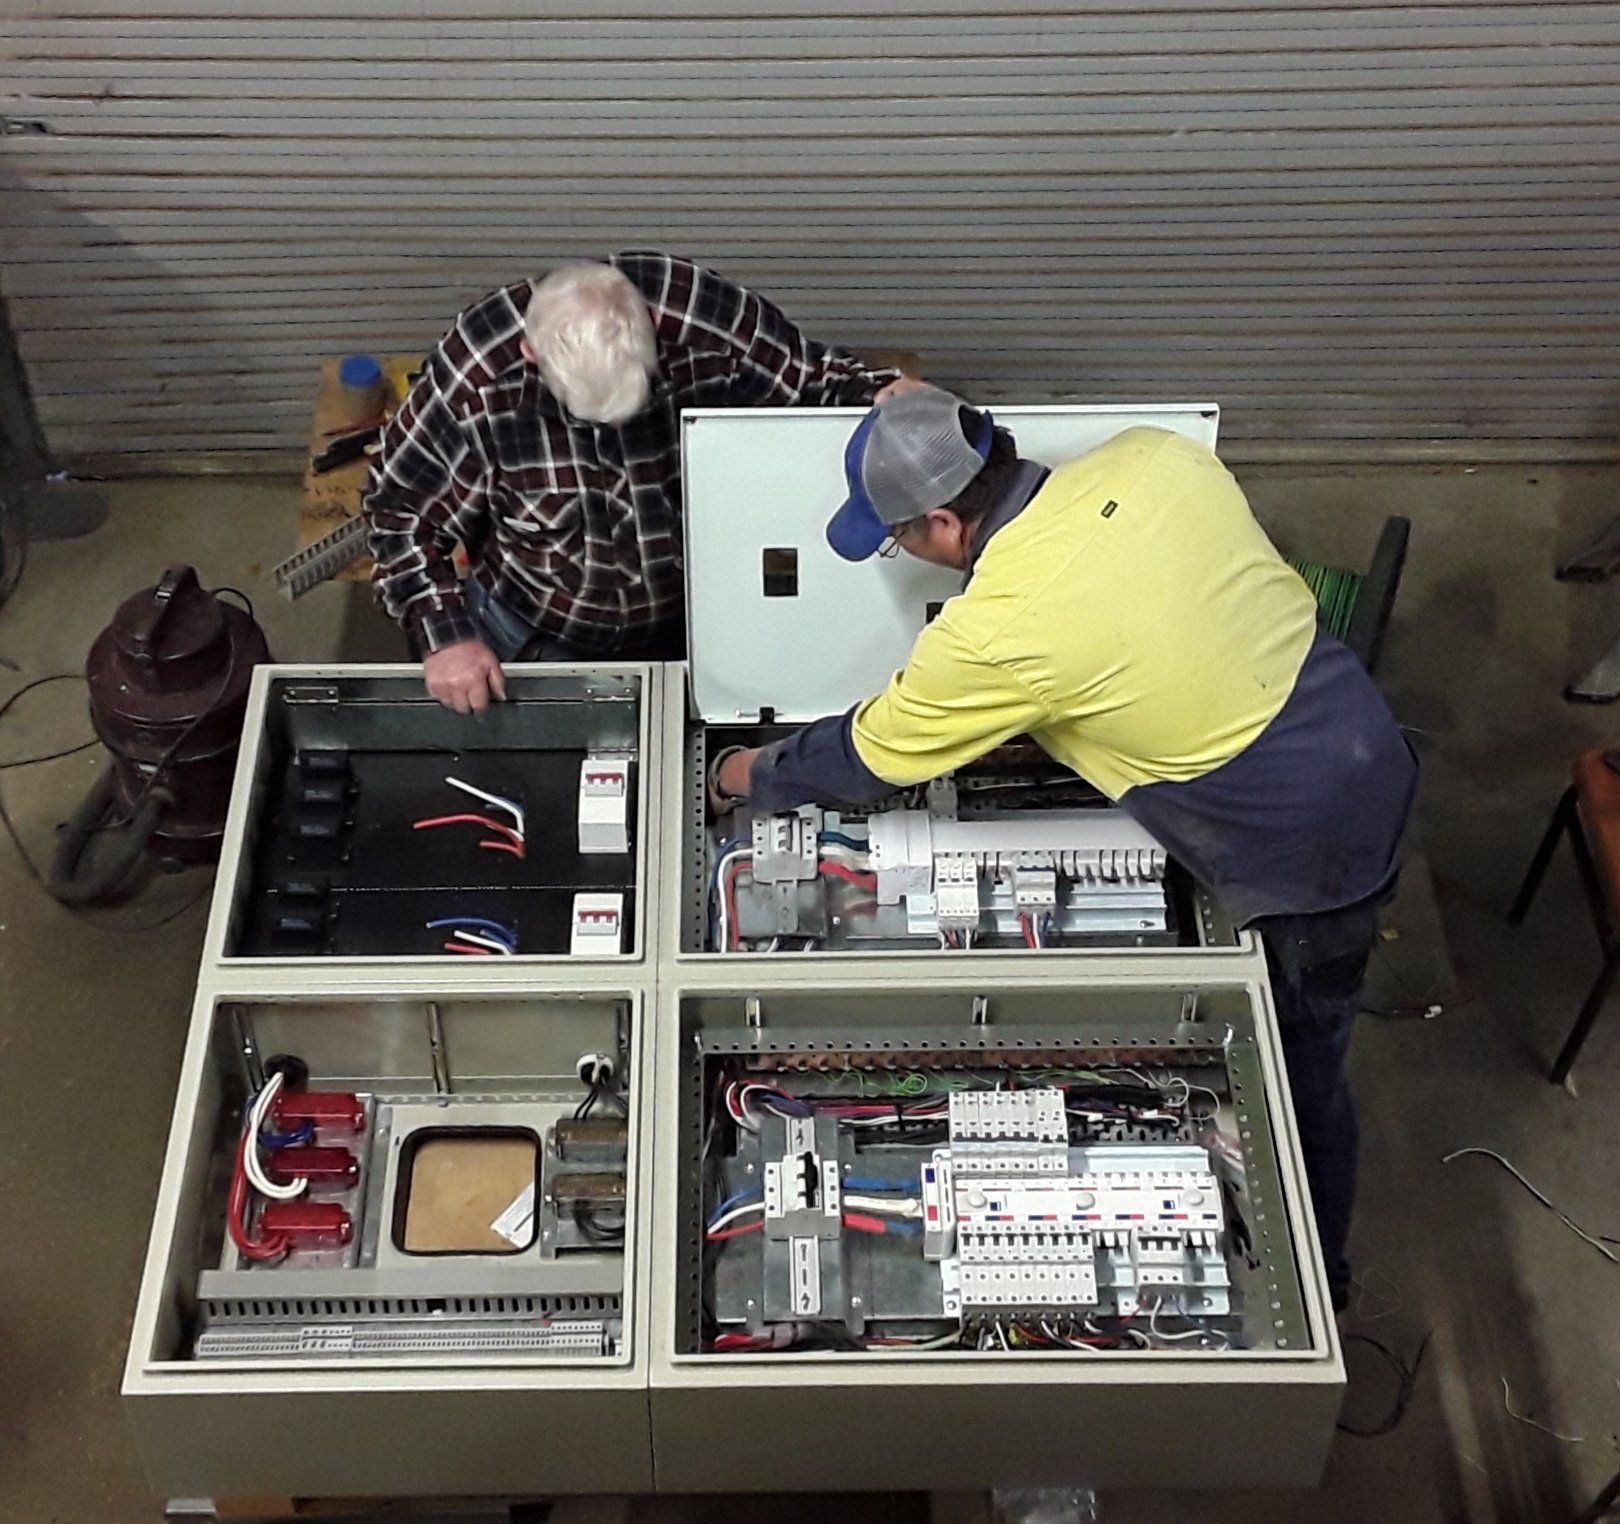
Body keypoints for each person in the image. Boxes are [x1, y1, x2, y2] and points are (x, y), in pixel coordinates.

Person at [709, 385, 1418, 1308]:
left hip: (1307, 855)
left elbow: (860, 760)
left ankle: (1322, 1281)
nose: (905, 559)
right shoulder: (1150, 457)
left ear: (938, 522)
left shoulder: (1001, 628)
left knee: (1298, 1079)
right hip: (1364, 733)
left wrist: (741, 777)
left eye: (895, 542)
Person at [363, 252, 902, 714]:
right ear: (533, 355)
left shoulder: (704, 320)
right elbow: (399, 513)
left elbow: (814, 382)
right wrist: (445, 638)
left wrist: (884, 397)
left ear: (650, 324)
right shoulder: (474, 380)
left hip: (690, 619)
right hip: (532, 630)